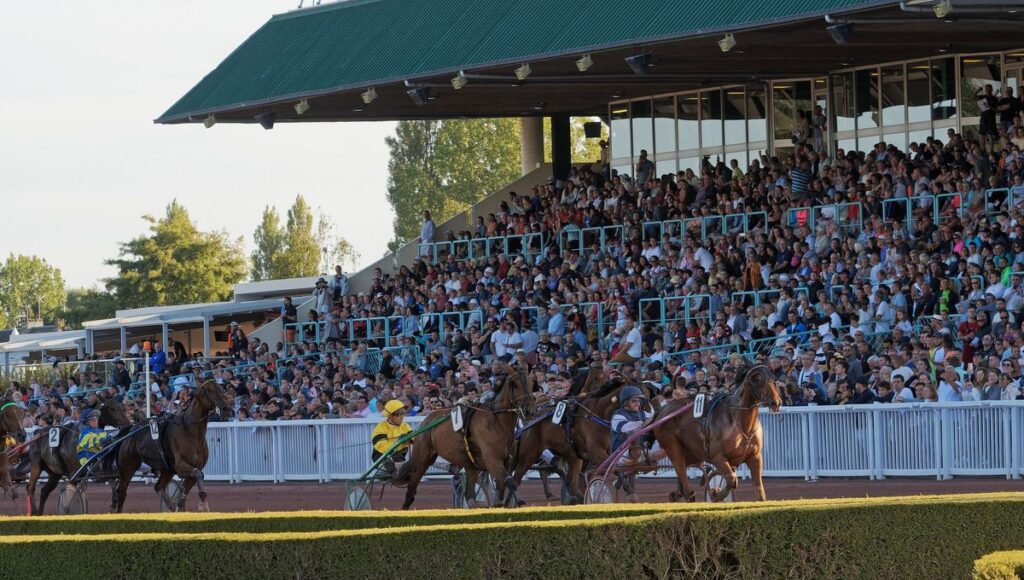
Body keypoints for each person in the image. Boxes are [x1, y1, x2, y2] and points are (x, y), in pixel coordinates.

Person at [371, 399, 413, 476]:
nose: (402, 417)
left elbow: (415, 439)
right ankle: (384, 472)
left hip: (399, 459)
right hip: (383, 459)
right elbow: (384, 448)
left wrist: (413, 436)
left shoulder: (405, 426)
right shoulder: (381, 427)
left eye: (403, 413)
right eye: (398, 414)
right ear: (390, 416)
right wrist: (399, 441)